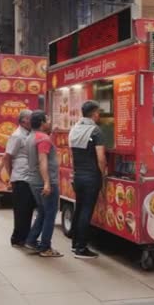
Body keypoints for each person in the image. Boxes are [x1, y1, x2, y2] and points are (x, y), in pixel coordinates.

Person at [69, 100, 107, 259]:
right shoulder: (96, 131)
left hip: (78, 175)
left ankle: (75, 243)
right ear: (94, 113)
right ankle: (81, 248)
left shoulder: (75, 128)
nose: (99, 115)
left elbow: (72, 156)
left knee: (79, 208)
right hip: (91, 176)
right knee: (86, 211)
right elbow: (101, 158)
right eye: (98, 112)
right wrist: (103, 174)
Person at [25, 110, 63, 257]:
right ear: (41, 122)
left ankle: (31, 240)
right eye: (47, 119)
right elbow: (43, 160)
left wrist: (51, 134)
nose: (49, 121)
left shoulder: (32, 137)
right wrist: (47, 183)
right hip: (45, 182)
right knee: (50, 215)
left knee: (42, 212)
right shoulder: (43, 139)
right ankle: (45, 247)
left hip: (33, 181)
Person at [0, 109, 36, 248]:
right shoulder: (17, 135)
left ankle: (25, 237)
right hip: (20, 177)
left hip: (29, 177)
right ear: (23, 120)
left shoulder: (29, 133)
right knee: (21, 210)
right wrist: (11, 176)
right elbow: (7, 156)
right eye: (30, 118)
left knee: (28, 209)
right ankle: (17, 238)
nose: (33, 120)